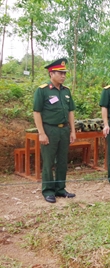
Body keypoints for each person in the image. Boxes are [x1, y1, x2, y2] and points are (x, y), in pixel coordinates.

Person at [33, 58, 77, 203]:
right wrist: (41, 133)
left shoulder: (66, 91)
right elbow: (37, 112)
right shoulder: (43, 90)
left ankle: (60, 188)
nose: (63, 76)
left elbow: (71, 112)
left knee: (62, 161)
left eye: (64, 73)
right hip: (49, 130)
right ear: (51, 73)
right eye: (60, 73)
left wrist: (73, 131)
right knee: (48, 161)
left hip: (64, 130)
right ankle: (48, 191)